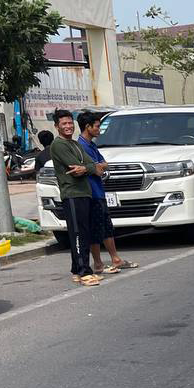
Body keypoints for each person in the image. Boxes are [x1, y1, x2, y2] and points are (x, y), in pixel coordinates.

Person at [77, 111, 138, 276]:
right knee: (95, 229)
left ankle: (115, 258)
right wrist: (98, 167)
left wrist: (100, 166)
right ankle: (98, 263)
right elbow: (97, 169)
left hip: (99, 192)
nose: (99, 130)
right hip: (91, 193)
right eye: (97, 127)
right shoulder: (82, 146)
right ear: (88, 127)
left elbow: (104, 164)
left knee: (106, 227)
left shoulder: (91, 145)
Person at [49, 109, 101, 286]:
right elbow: (76, 168)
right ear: (57, 126)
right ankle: (83, 271)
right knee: (78, 233)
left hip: (84, 193)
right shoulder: (58, 145)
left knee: (84, 232)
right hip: (72, 194)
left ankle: (77, 270)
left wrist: (86, 168)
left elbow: (92, 165)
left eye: (70, 123)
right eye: (64, 123)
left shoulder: (75, 144)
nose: (68, 126)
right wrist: (88, 168)